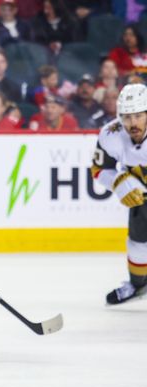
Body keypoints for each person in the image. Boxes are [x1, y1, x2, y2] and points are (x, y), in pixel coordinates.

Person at [91, 83, 147, 304]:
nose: (132, 123)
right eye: (127, 116)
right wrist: (117, 181)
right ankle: (138, 285)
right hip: (142, 196)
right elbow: (98, 170)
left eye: (138, 116)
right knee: (137, 246)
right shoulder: (110, 134)